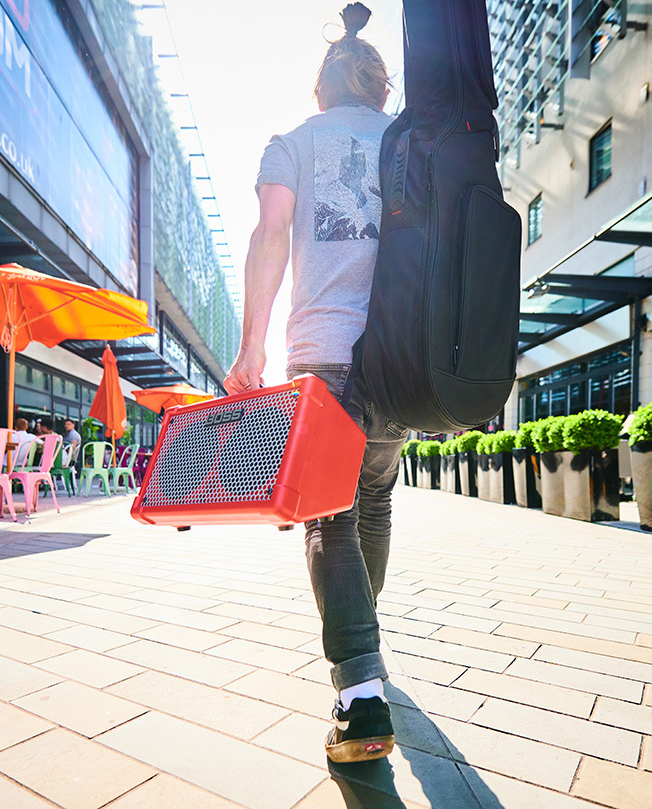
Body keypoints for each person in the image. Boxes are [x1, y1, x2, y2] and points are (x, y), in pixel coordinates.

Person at [223, 2, 404, 764]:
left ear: (320, 89)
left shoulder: (292, 143)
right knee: (374, 500)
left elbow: (271, 234)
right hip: (399, 356)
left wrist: (250, 346)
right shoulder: (406, 139)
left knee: (329, 514)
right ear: (381, 88)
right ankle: (365, 651)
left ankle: (360, 694)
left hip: (322, 355)